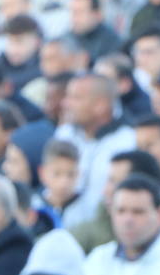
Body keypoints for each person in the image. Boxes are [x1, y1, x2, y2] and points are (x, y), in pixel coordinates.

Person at [53, 73, 137, 228]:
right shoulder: (64, 134)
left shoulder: (128, 141)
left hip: (105, 231)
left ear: (100, 105)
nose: (66, 104)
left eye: (76, 98)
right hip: (58, 226)